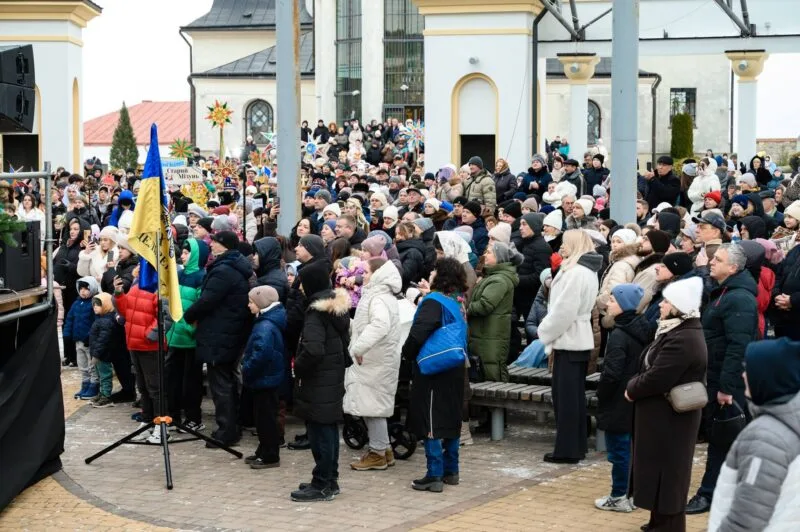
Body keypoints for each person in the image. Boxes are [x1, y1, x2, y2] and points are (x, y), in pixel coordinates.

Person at [625, 277, 708, 532]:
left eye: (668, 301)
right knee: (658, 472)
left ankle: (668, 526)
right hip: (662, 417)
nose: (661, 305)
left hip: (670, 419)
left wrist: (632, 389)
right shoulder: (675, 330)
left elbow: (660, 376)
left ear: (679, 306)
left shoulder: (683, 337)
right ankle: (658, 522)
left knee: (668, 476)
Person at [687, 243, 758, 515]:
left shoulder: (738, 298)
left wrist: (727, 388)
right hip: (718, 376)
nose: (711, 262)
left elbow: (737, 346)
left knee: (722, 440)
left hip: (726, 382)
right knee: (725, 441)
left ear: (733, 267)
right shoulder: (725, 292)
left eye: (718, 259)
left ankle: (709, 494)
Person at [707, 337, 800, 532]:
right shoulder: (790, 420)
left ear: (767, 376)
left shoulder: (765, 437)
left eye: (748, 369)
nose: (742, 375)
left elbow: (745, 521)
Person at [402, 257, 467, 493]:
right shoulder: (458, 300)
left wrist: (406, 354)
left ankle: (434, 474)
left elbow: (419, 333)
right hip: (455, 366)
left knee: (431, 418)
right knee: (451, 417)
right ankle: (452, 470)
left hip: (433, 367)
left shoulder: (433, 302)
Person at [536, 230, 602, 463]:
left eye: (565, 243)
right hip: (576, 339)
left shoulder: (575, 273)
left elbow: (564, 311)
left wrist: (543, 332)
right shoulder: (585, 271)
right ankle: (575, 447)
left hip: (570, 339)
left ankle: (566, 450)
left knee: (566, 401)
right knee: (572, 399)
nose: (561, 247)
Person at [184, 231, 255, 447]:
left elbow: (208, 300)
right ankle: (232, 426)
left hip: (220, 333)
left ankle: (226, 432)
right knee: (228, 381)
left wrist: (189, 314)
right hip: (228, 331)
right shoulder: (234, 267)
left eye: (214, 242)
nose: (211, 245)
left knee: (221, 385)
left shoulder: (224, 270)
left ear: (223, 246)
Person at [290, 260, 351, 502]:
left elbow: (313, 350)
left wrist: (298, 368)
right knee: (327, 431)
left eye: (303, 283)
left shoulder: (316, 313)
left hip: (319, 380)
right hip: (331, 377)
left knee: (320, 433)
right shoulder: (334, 309)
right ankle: (326, 479)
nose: (300, 288)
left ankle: (324, 483)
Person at [594, 284, 650, 513]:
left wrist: (602, 394)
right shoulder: (641, 328)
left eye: (613, 301)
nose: (608, 304)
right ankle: (631, 494)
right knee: (631, 448)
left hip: (619, 399)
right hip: (635, 395)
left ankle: (618, 496)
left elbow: (612, 373)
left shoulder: (619, 334)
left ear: (625, 305)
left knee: (618, 450)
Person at [344, 259, 403, 471]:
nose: (363, 275)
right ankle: (384, 449)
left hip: (374, 360)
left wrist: (358, 348)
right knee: (373, 405)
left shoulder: (378, 298)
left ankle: (377, 453)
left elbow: (380, 325)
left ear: (378, 274)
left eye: (367, 272)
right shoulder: (379, 296)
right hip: (376, 359)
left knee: (373, 407)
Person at [114, 266, 165, 444]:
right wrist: (118, 294)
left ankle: (161, 426)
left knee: (155, 388)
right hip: (134, 344)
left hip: (149, 346)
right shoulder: (136, 287)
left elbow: (165, 316)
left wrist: (151, 335)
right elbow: (125, 310)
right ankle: (147, 421)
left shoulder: (160, 288)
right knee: (143, 387)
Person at [165, 238, 210, 432]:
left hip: (190, 339)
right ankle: (172, 415)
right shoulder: (179, 275)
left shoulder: (202, 277)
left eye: (186, 253)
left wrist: (191, 328)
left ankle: (193, 417)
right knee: (172, 379)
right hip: (175, 336)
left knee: (191, 382)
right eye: (181, 253)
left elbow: (201, 307)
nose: (182, 256)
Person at [242, 286, 286, 470]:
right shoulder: (266, 321)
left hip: (265, 377)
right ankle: (264, 449)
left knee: (265, 418)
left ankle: (270, 455)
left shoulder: (265, 326)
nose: (248, 305)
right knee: (264, 417)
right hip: (268, 376)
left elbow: (260, 353)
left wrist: (247, 368)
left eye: (251, 302)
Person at [468, 242, 523, 382]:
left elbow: (485, 305)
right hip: (485, 333)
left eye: (489, 252)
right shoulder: (492, 277)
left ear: (499, 257)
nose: (484, 255)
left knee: (492, 370)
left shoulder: (499, 280)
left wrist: (465, 308)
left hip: (491, 334)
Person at [88, 292, 126, 408]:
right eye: (94, 305)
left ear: (106, 305)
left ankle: (106, 395)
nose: (95, 307)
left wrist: (96, 355)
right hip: (99, 354)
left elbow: (103, 341)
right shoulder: (101, 319)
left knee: (105, 375)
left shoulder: (106, 321)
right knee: (100, 374)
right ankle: (102, 393)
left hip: (103, 355)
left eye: (98, 305)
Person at [64, 276, 99, 400]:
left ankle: (94, 385)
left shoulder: (94, 303)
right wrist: (67, 334)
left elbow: (96, 323)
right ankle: (85, 384)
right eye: (81, 288)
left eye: (86, 288)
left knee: (92, 365)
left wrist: (89, 336)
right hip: (78, 340)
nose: (83, 291)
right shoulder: (76, 303)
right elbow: (70, 319)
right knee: (82, 364)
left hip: (89, 341)